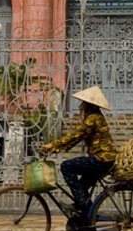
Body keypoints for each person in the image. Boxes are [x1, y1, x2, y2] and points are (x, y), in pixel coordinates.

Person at [41, 86, 117, 214]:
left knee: (67, 166)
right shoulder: (95, 117)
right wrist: (59, 147)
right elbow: (77, 138)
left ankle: (82, 207)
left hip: (101, 159)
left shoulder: (93, 119)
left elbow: (76, 135)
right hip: (103, 159)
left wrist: (54, 145)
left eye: (83, 103)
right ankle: (89, 217)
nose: (81, 105)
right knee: (81, 187)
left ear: (89, 105)